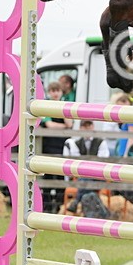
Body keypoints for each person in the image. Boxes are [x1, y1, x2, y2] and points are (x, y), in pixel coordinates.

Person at [38, 81, 72, 213]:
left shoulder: (65, 106)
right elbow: (49, 124)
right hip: (49, 144)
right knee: (47, 176)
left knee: (60, 177)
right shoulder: (46, 106)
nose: (55, 93)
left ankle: (58, 206)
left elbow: (69, 123)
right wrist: (63, 125)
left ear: (61, 92)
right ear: (49, 92)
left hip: (61, 145)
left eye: (57, 90)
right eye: (53, 91)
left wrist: (62, 122)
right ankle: (45, 206)